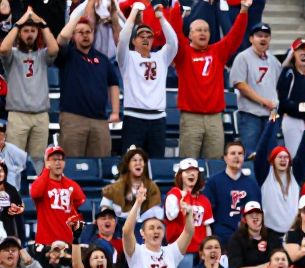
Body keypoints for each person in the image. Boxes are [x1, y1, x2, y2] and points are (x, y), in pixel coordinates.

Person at [173, 0, 252, 159]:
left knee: (215, 163)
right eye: (198, 30)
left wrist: (243, 10)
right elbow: (174, 34)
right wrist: (175, 8)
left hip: (215, 118)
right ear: (189, 34)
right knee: (188, 164)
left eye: (206, 30)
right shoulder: (183, 54)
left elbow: (234, 36)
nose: (203, 33)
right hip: (191, 118)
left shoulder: (218, 52)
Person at [116, 3, 177, 159]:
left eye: (149, 36)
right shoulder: (127, 57)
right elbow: (122, 39)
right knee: (130, 164)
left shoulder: (161, 57)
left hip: (157, 119)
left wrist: (161, 18)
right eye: (141, 36)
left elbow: (173, 42)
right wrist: (134, 11)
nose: (145, 39)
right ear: (134, 40)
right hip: (134, 118)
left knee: (156, 164)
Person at [54, 13, 119, 157]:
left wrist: (115, 112)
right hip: (73, 119)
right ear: (73, 36)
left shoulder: (103, 60)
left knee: (102, 165)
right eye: (80, 32)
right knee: (72, 165)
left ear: (93, 34)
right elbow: (62, 38)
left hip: (100, 121)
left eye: (88, 32)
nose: (85, 35)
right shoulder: (67, 55)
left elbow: (114, 84)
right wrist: (76, 18)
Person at [0, 9, 57, 166]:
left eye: (33, 31)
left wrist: (42, 24)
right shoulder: (11, 55)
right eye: (26, 31)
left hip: (40, 116)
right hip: (18, 116)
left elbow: (54, 49)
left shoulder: (43, 55)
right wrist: (18, 24)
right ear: (19, 33)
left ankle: (36, 191)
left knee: (39, 163)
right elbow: (3, 49)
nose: (29, 34)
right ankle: (14, 191)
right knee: (13, 163)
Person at [229, 22, 280, 155]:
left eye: (266, 36)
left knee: (271, 155)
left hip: (271, 116)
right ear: (251, 39)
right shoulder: (243, 57)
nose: (263, 39)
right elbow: (239, 84)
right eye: (259, 36)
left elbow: (279, 85)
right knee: (250, 154)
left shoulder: (274, 61)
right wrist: (263, 101)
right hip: (250, 115)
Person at [206, 141, 262, 245]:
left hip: (246, 238)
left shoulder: (252, 184)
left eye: (240, 153)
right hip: (221, 238)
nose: (237, 156)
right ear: (225, 158)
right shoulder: (213, 182)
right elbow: (208, 216)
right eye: (233, 153)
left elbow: (257, 215)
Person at [165, 159, 215, 259]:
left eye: (194, 172)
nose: (191, 174)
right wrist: (181, 203)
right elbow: (170, 216)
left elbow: (207, 227)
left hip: (199, 251)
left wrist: (209, 247)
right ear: (180, 175)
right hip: (179, 250)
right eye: (187, 172)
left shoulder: (204, 200)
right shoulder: (174, 194)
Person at [100, 148, 162, 222]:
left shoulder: (152, 187)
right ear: (128, 165)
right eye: (134, 160)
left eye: (141, 160)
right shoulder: (115, 187)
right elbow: (104, 208)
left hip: (144, 226)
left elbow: (155, 211)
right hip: (120, 225)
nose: (138, 163)